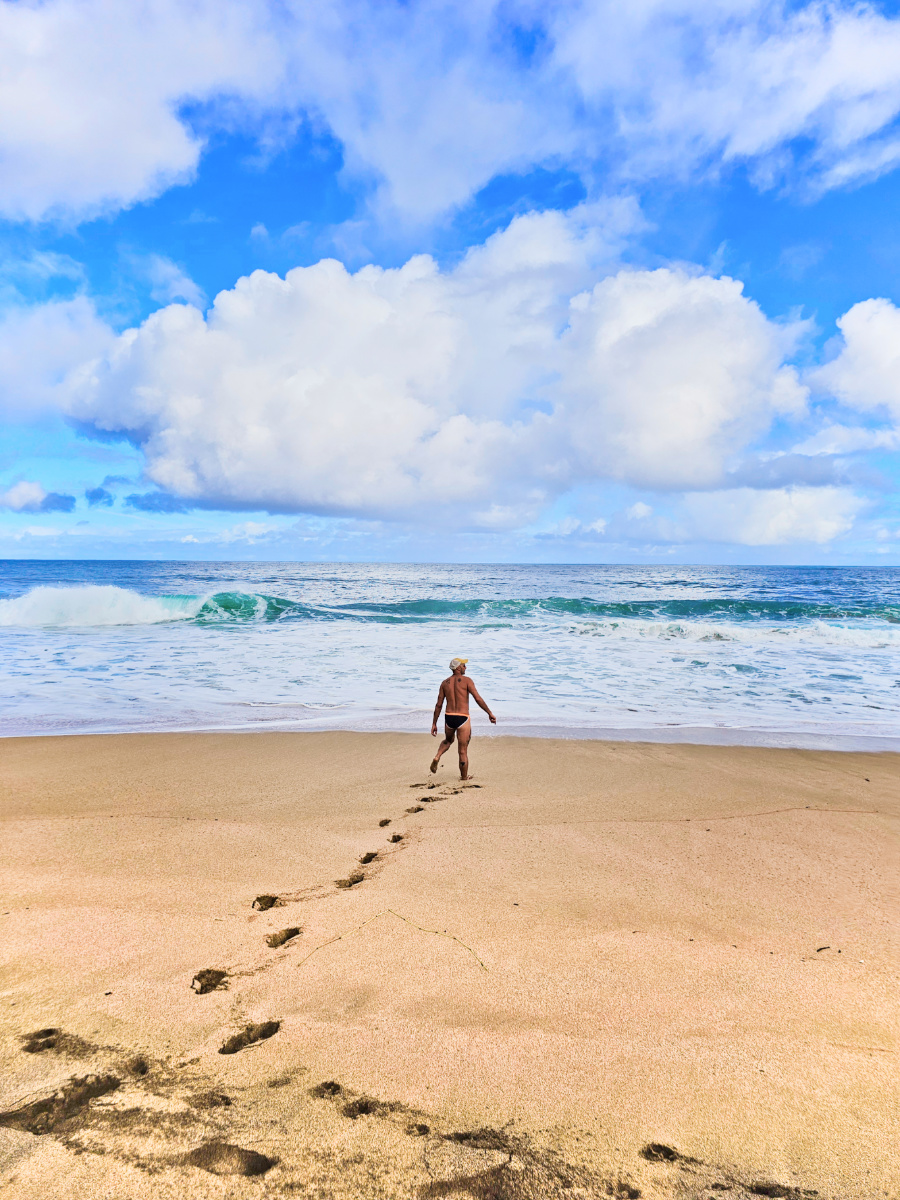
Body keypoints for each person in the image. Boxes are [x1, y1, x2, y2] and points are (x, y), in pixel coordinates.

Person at [430, 657, 496, 780]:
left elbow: (439, 705)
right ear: (458, 668)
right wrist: (489, 713)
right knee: (462, 750)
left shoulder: (444, 683)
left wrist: (434, 723)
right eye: (464, 665)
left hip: (449, 717)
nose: (466, 667)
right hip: (462, 717)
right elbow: (478, 698)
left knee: (448, 740)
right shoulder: (467, 681)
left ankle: (437, 756)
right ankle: (464, 777)